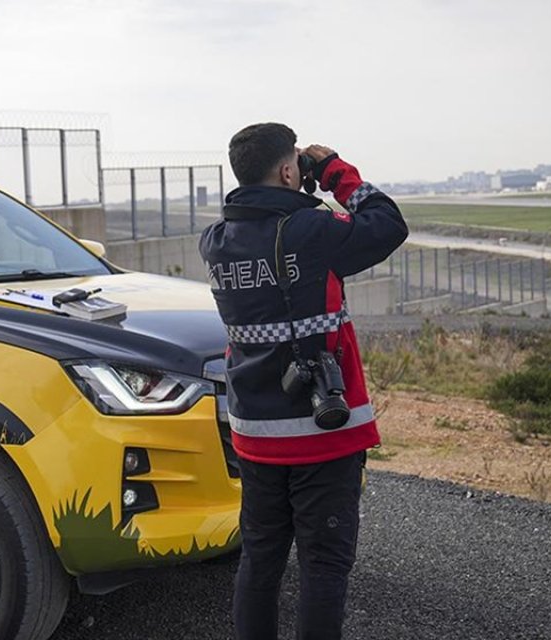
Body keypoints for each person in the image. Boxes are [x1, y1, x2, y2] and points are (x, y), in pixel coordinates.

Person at [199, 123, 407, 639]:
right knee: (323, 567)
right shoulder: (311, 233)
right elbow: (387, 224)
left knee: (261, 559)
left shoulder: (215, 242)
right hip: (321, 434)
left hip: (254, 435)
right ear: (289, 170)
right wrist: (335, 171)